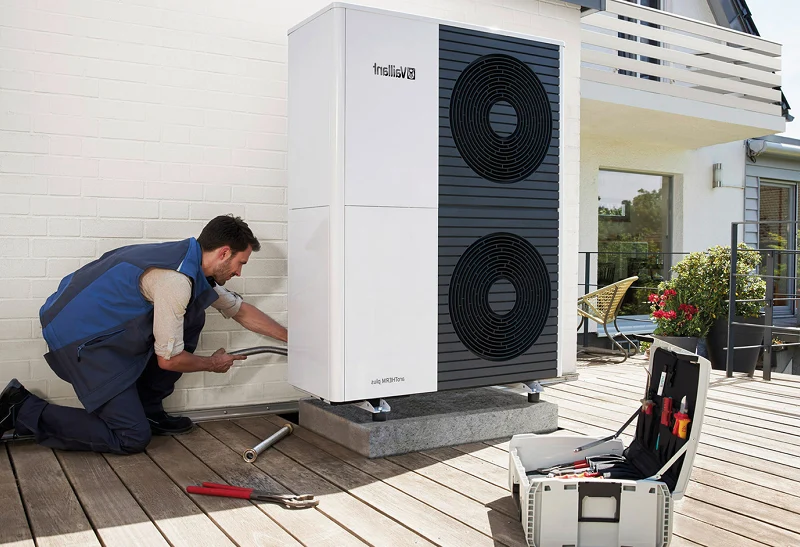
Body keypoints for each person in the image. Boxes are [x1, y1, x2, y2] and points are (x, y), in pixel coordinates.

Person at [0, 215, 287, 454]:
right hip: (78, 341)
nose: (239, 272)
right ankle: (20, 409)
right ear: (224, 252)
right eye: (241, 263)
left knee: (194, 314)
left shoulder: (188, 264)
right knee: (131, 437)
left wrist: (294, 339)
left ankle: (149, 410)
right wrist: (212, 364)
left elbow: (241, 311)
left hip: (95, 329)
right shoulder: (175, 280)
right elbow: (169, 360)